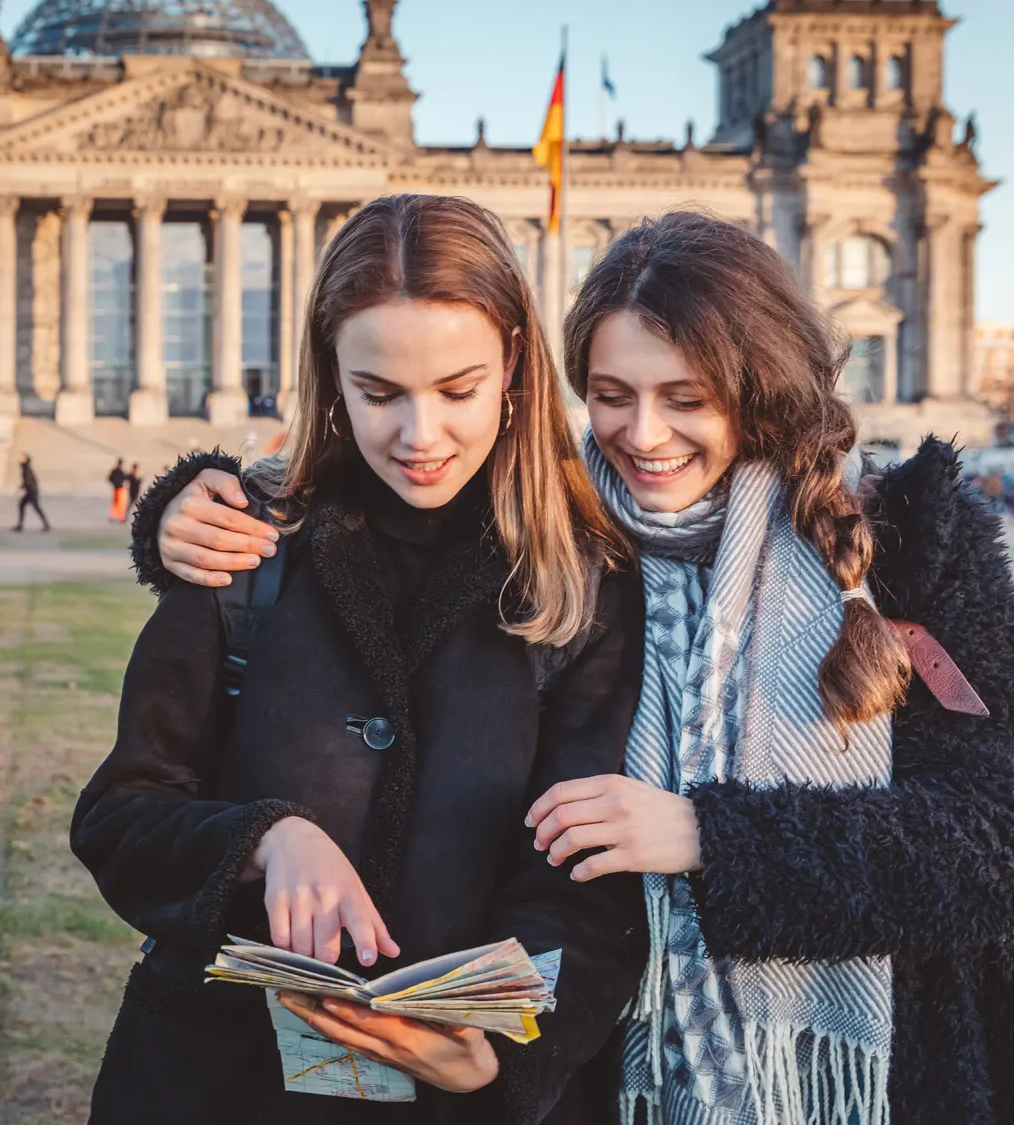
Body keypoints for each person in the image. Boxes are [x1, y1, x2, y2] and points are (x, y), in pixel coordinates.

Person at [143, 210, 1014, 1124]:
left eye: (687, 400)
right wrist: (184, 510)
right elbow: (367, 513)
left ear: (758, 384)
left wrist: (710, 836)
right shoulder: (557, 525)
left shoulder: (905, 536)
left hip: (878, 1064)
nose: (644, 436)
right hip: (611, 1067)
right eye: (612, 396)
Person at [74, 194, 648, 1124]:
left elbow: (587, 885)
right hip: (215, 1085)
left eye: (456, 389)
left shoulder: (584, 579)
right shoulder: (245, 543)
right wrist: (263, 838)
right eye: (378, 393)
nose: (419, 438)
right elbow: (121, 812)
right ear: (330, 375)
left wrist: (500, 1052)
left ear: (512, 363)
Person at [13, 453, 50, 532]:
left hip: (32, 491)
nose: (20, 459)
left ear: (26, 460)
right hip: (31, 490)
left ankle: (46, 525)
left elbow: (28, 480)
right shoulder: (25, 467)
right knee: (23, 505)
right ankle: (20, 525)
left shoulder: (26, 468)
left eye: (22, 458)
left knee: (34, 507)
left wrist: (22, 487)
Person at [107, 457, 128, 522]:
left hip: (117, 488)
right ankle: (119, 517)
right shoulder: (118, 471)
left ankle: (115, 517)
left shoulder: (116, 471)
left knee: (117, 503)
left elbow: (110, 478)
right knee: (119, 504)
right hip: (119, 489)